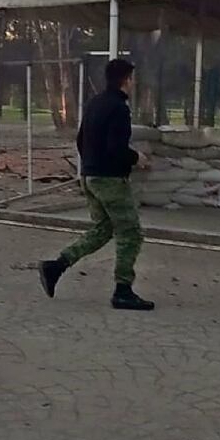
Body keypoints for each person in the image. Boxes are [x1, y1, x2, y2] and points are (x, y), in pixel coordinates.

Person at [37, 59, 154, 311]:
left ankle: (56, 266)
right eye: (132, 79)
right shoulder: (119, 108)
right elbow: (116, 148)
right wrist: (137, 158)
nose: (134, 83)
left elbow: (81, 140)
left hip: (90, 176)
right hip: (110, 180)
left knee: (103, 229)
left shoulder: (94, 103)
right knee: (130, 233)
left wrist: (91, 165)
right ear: (126, 80)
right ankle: (123, 290)